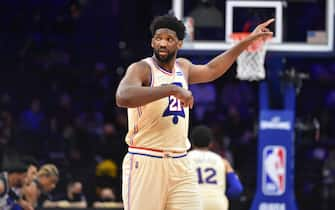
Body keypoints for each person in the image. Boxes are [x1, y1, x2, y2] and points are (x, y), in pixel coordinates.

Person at [115, 14, 273, 210]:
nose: (163, 43)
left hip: (180, 161)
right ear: (152, 42)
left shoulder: (183, 67)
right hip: (146, 159)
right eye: (158, 38)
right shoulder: (142, 69)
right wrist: (173, 89)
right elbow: (123, 97)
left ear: (179, 44)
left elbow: (212, 69)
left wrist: (248, 40)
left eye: (169, 39)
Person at [188, 125, 243, 210]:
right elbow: (237, 188)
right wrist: (220, 194)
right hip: (217, 203)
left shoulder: (184, 159)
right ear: (211, 143)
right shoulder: (223, 161)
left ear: (191, 142)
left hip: (193, 202)